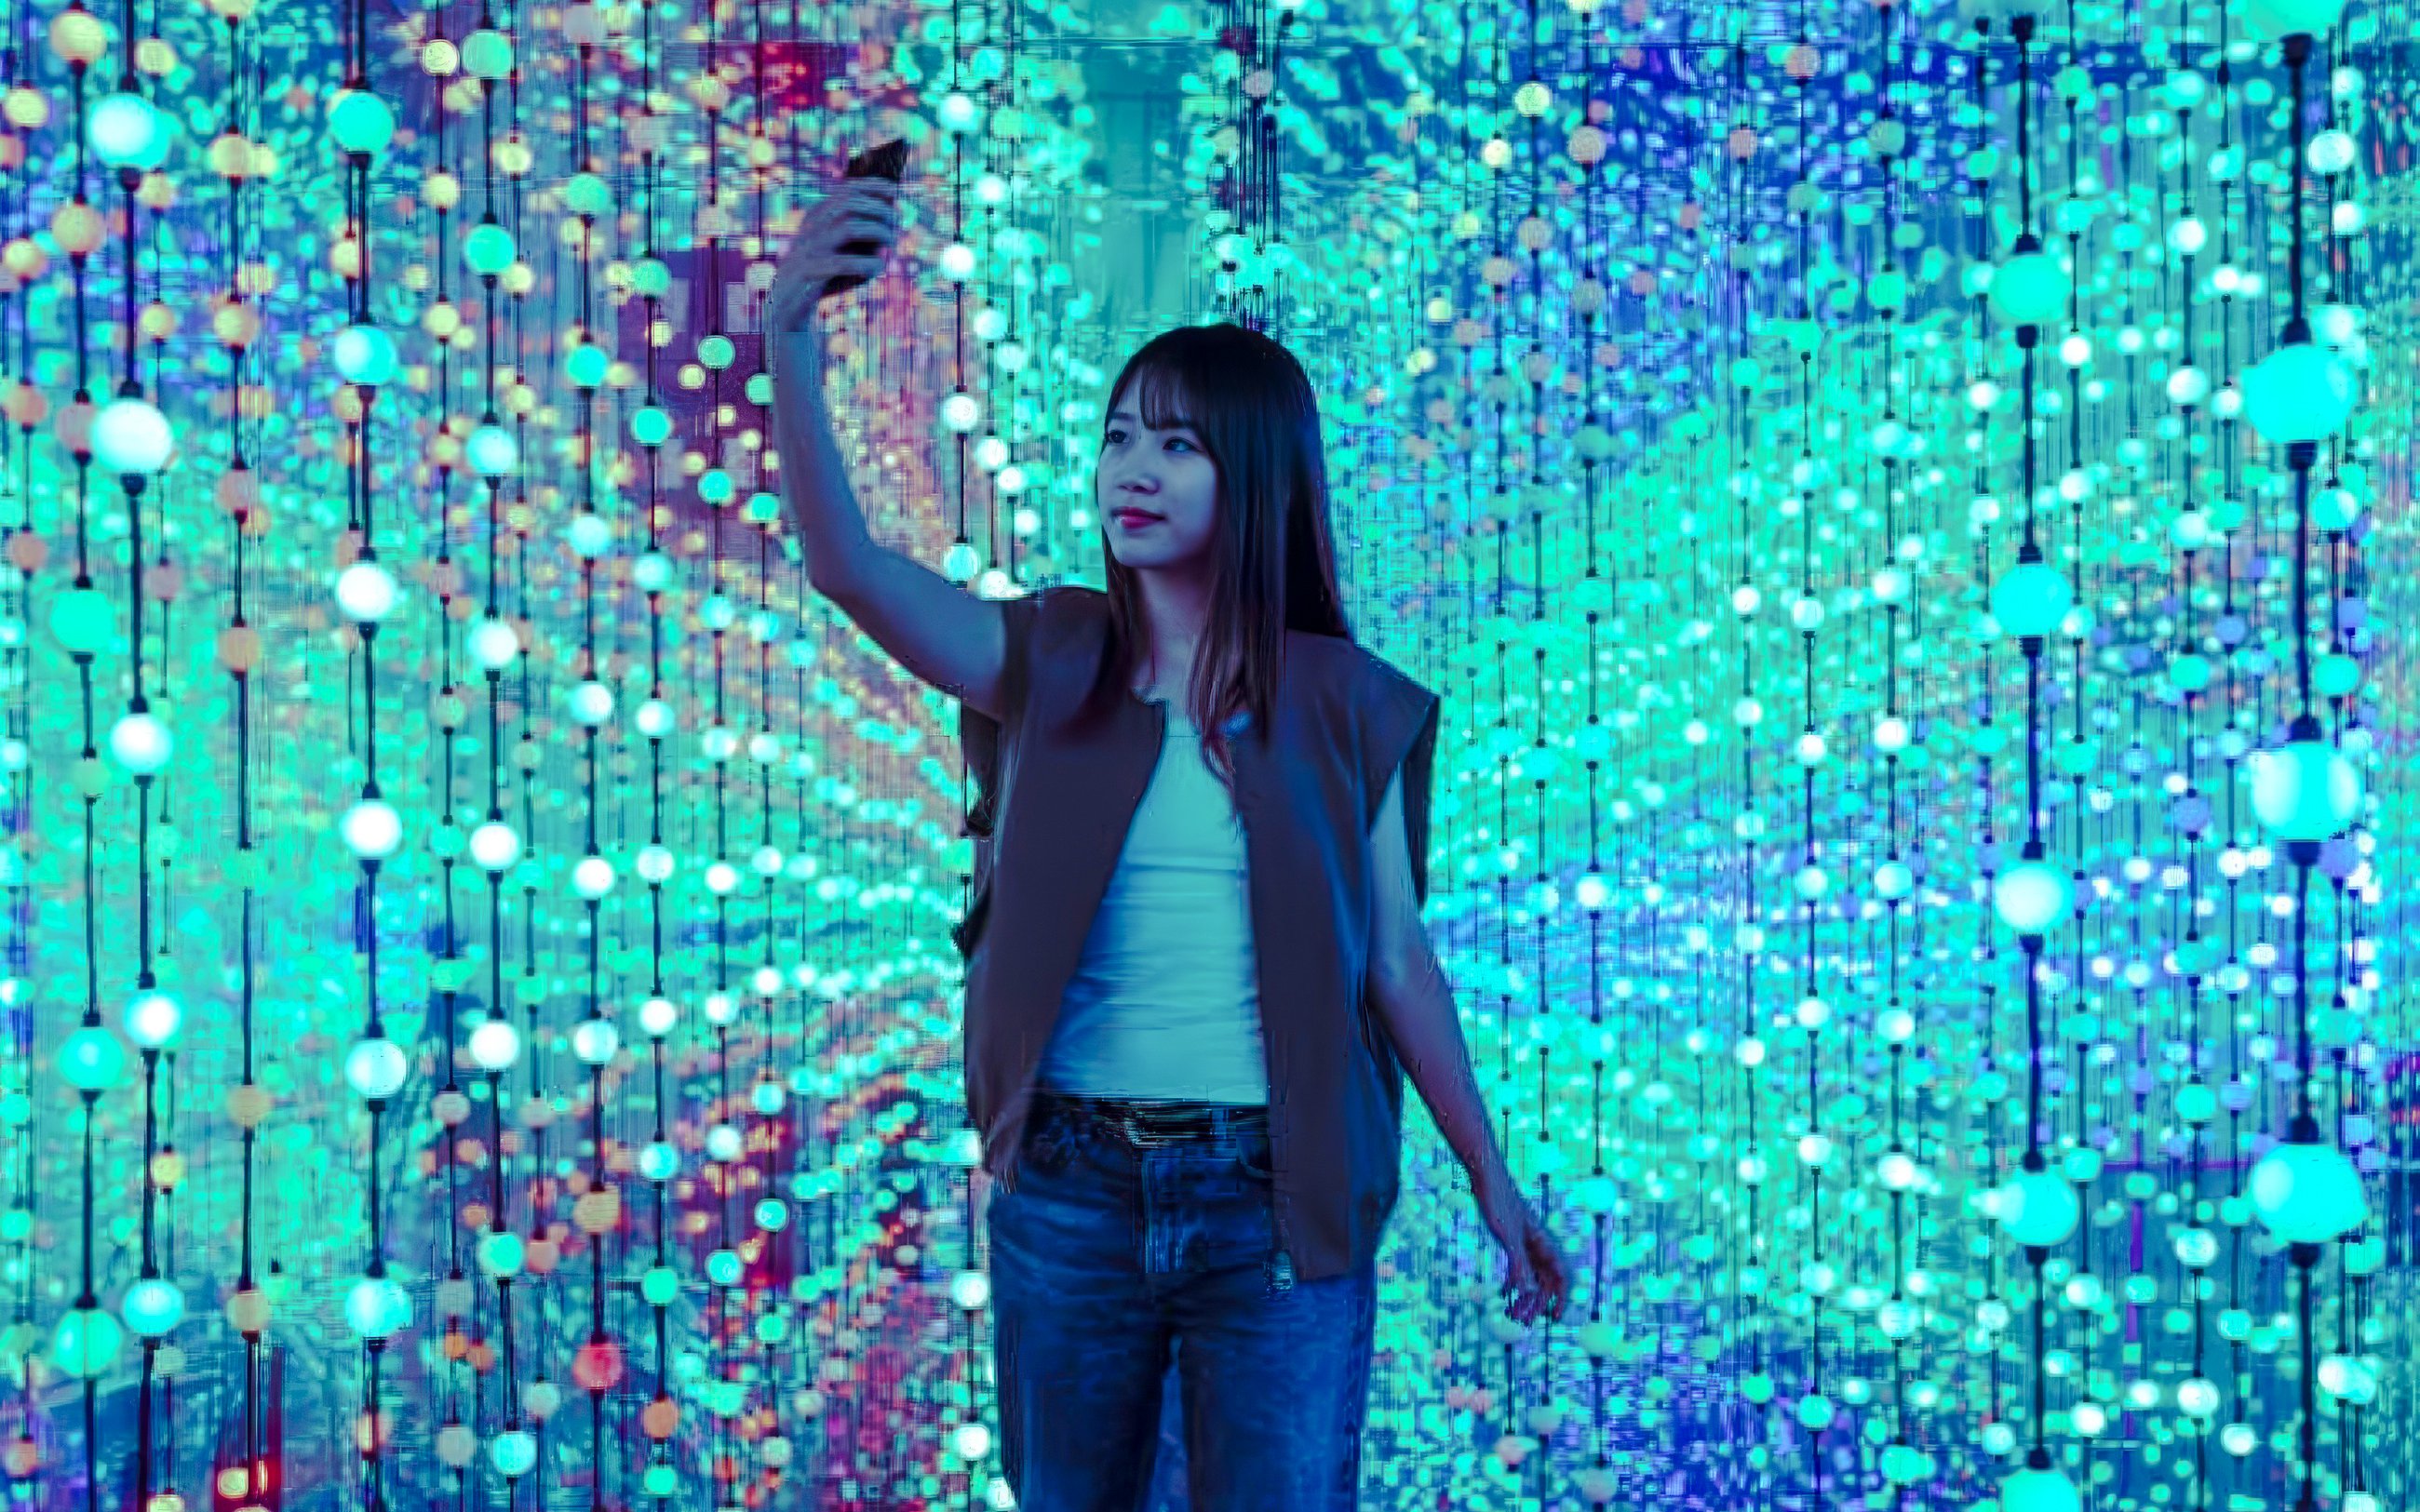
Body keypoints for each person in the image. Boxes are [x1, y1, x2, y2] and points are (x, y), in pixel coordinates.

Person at [765, 165, 1574, 1511]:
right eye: (1120, 436)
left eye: (1178, 444)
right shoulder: (1045, 655)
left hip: (1274, 1197)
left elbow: (1398, 965)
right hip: (1071, 1190)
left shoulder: (1342, 701)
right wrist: (789, 333)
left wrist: (1495, 1185)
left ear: (1253, 473)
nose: (1132, 470)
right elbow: (849, 565)